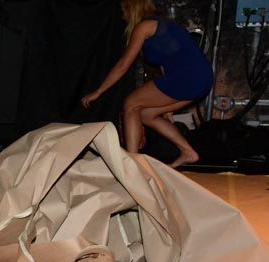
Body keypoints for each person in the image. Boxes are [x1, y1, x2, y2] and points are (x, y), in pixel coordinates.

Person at [82, 0, 213, 167]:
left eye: (123, 10)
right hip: (201, 79)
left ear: (132, 9)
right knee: (145, 115)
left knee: (130, 103)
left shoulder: (144, 27)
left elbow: (123, 65)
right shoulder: (164, 24)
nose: (122, 16)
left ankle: (131, 163)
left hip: (188, 78)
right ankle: (188, 152)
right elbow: (168, 64)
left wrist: (98, 91)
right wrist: (168, 107)